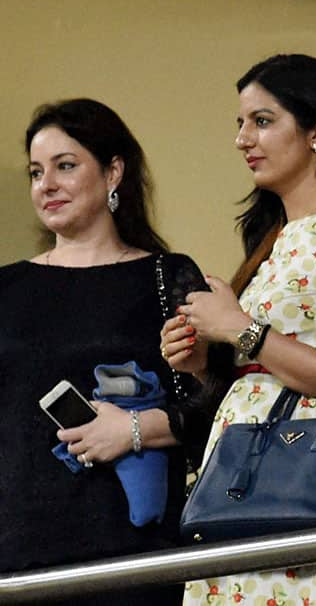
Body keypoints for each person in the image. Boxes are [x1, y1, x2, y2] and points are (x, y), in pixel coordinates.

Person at [164, 54, 316, 606]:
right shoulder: (277, 237)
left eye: (263, 121)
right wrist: (204, 357)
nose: (244, 138)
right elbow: (263, 365)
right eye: (241, 123)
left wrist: (241, 329)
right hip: (240, 482)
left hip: (304, 480)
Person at [0, 98, 216, 605]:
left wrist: (134, 430)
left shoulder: (166, 276)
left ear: (113, 171)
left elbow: (216, 408)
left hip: (129, 553)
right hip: (16, 556)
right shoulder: (6, 288)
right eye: (36, 172)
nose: (46, 185)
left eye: (65, 166)